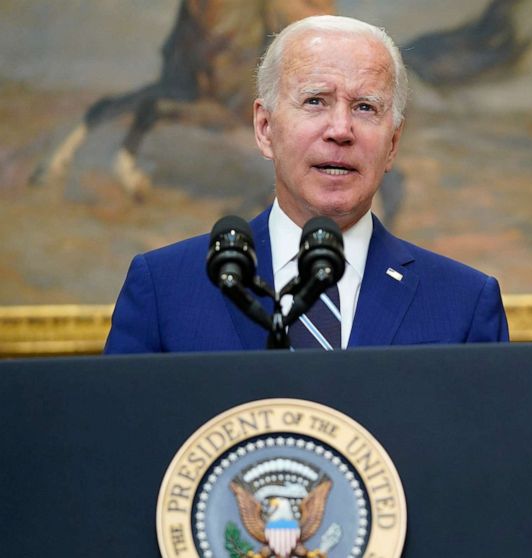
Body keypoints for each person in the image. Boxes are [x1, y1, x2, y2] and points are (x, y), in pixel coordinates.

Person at [104, 15, 509, 353]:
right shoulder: (165, 289)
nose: (341, 130)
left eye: (365, 107)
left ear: (393, 145)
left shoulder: (464, 304)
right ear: (264, 129)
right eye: (315, 101)